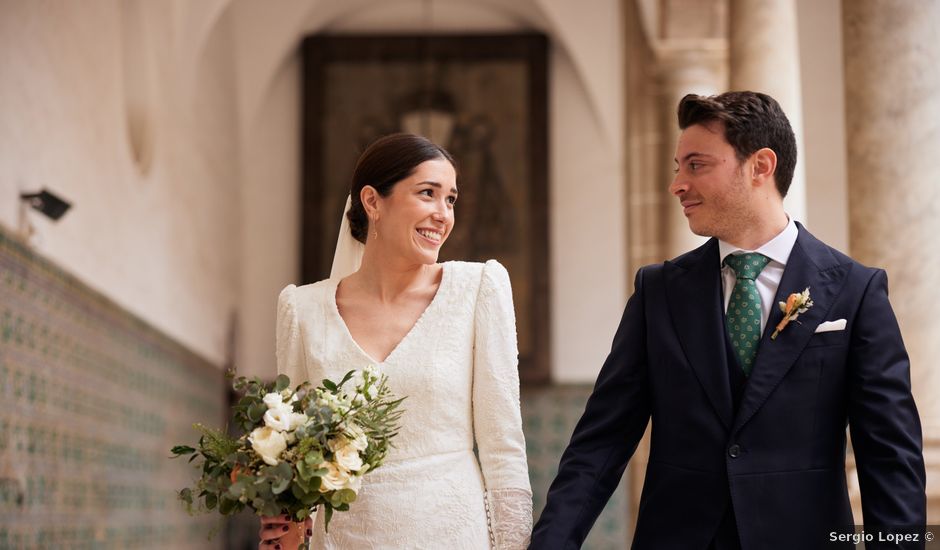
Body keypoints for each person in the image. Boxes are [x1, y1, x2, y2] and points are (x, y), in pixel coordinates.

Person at [530, 91, 926, 549]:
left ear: (760, 166)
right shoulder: (657, 291)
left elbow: (890, 457)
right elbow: (601, 443)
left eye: (695, 165)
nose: (677, 184)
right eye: (677, 167)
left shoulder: (856, 292)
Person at [258, 133, 532, 549]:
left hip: (453, 534)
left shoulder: (478, 289)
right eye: (428, 194)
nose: (443, 214)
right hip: (344, 539)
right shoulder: (302, 309)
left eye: (451, 199)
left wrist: (512, 545)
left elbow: (503, 446)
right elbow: (294, 449)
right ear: (372, 202)